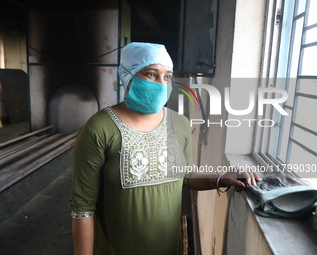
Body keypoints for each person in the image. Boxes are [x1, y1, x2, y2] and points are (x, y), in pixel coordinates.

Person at [69, 42, 260, 255]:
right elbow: (82, 208)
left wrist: (224, 177)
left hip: (170, 247)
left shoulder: (179, 124)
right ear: (128, 76)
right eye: (151, 74)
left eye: (167, 76)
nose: (161, 83)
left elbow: (185, 176)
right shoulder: (99, 128)